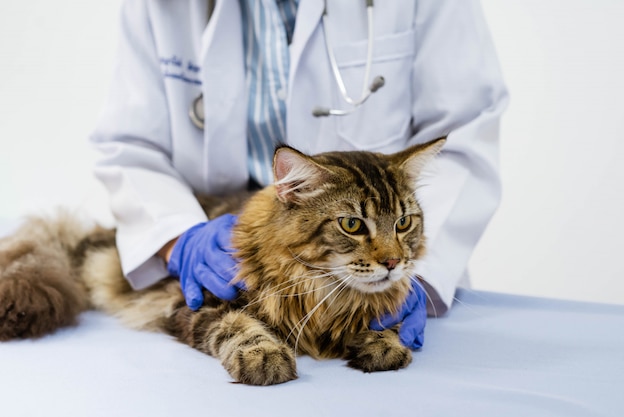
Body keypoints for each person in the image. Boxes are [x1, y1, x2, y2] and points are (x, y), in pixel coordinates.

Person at [90, 0, 508, 349]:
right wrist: (178, 237)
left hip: (365, 272)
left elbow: (464, 133)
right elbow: (130, 144)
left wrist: (416, 279)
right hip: (223, 248)